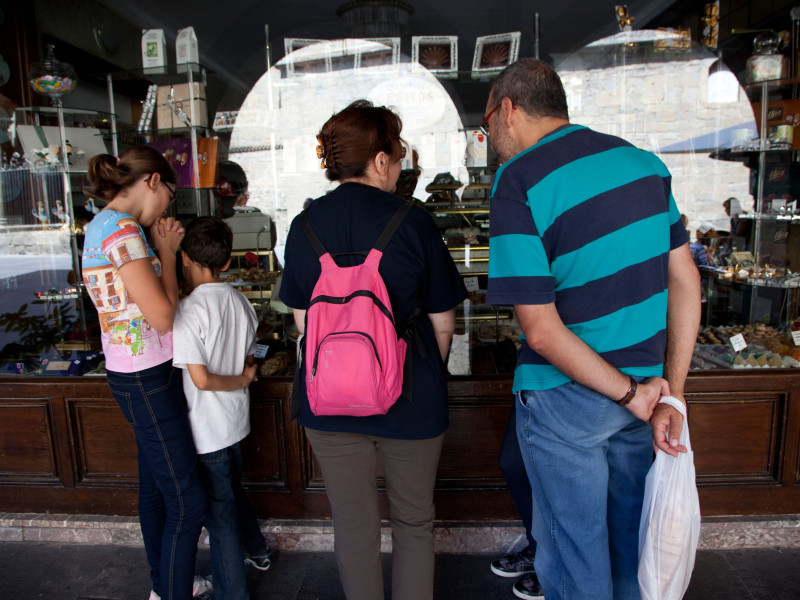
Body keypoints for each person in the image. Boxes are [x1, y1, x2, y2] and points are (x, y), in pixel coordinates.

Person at [483, 59, 701, 600]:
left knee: (574, 556)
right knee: (629, 546)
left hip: (568, 403)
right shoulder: (645, 166)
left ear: (508, 111)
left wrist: (630, 395)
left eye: (485, 123)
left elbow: (540, 331)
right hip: (646, 394)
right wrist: (666, 394)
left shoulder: (519, 180)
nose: (487, 137)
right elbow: (686, 282)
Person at [279, 99, 467, 600]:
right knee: (413, 520)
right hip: (411, 395)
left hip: (329, 399)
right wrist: (421, 371)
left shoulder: (304, 226)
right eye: (399, 156)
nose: (400, 166)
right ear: (381, 160)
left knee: (354, 524)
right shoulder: (415, 221)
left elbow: (303, 323)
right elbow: (443, 322)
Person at [81, 147, 209, 600]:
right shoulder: (123, 231)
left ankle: (164, 585)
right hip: (147, 375)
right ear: (153, 181)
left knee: (156, 486)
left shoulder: (101, 226)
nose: (167, 207)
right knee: (187, 500)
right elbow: (162, 318)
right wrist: (169, 253)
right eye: (170, 194)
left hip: (130, 371)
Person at [171, 216, 275, 600]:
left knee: (220, 519)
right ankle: (259, 551)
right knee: (231, 491)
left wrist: (244, 379)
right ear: (228, 262)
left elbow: (202, 380)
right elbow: (248, 355)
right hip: (235, 423)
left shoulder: (188, 312)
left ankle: (233, 593)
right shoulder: (240, 301)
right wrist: (246, 374)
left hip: (207, 430)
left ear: (183, 258)